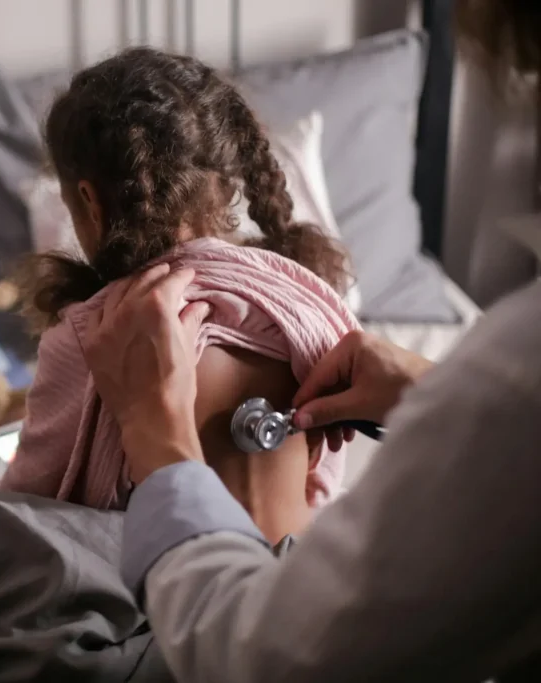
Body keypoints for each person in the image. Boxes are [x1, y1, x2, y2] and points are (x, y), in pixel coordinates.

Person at [82, 5, 541, 679]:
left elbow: (263, 656)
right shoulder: (321, 309)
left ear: (87, 204)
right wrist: (440, 393)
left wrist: (161, 444)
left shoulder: (514, 378)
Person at [0, 48, 361, 544]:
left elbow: (28, 506)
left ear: (89, 201)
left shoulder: (94, 335)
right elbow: (321, 483)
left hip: (169, 601)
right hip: (297, 579)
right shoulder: (308, 303)